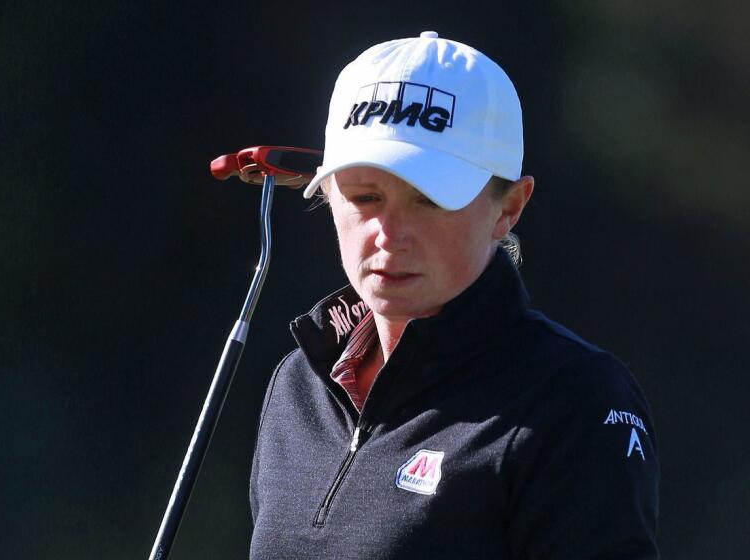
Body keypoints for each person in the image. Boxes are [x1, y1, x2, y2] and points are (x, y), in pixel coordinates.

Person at [249, 32, 659, 559]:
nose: (388, 233)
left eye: (429, 200)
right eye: (364, 197)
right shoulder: (298, 386)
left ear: (509, 206)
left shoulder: (577, 399)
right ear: (327, 198)